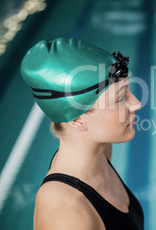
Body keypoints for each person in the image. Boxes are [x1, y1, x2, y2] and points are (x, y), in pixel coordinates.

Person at [20, 38, 144, 230]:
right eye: (120, 98)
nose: (136, 103)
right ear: (76, 119)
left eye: (128, 91)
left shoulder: (101, 152)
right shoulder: (66, 214)